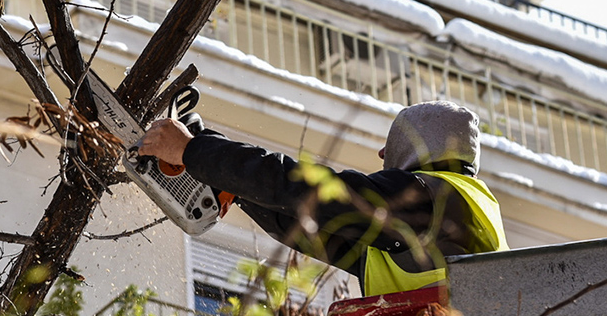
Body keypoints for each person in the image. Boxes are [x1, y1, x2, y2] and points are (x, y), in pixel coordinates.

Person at [138, 100, 508, 297]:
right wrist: (229, 180)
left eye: (392, 144)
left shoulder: (436, 202)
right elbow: (305, 226)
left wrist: (196, 151)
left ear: (416, 148)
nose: (382, 155)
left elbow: (309, 192)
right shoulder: (409, 235)